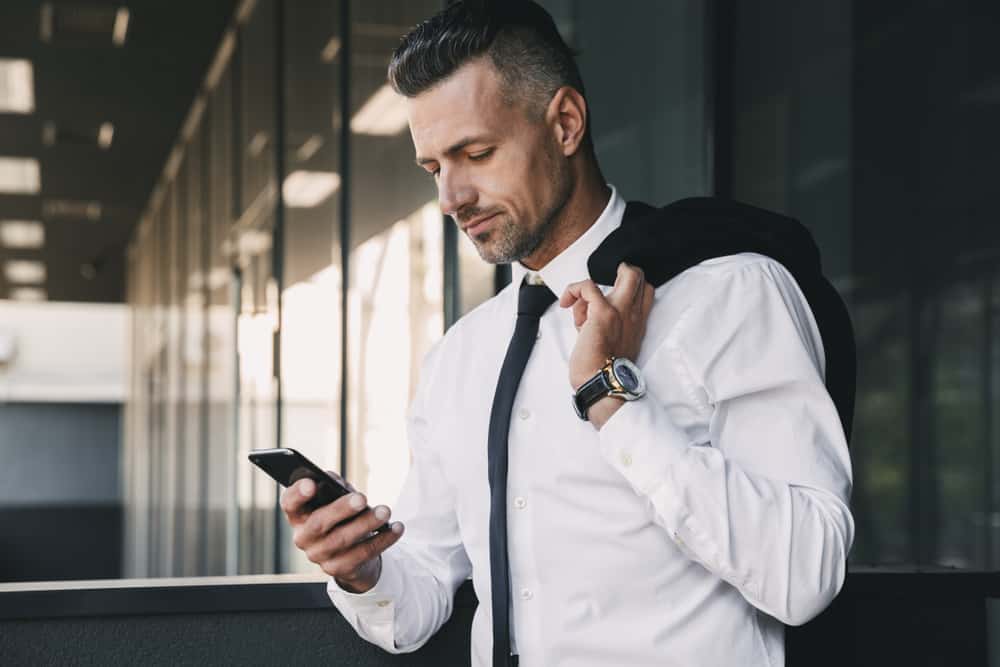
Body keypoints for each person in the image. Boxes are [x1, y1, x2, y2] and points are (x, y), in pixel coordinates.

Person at [280, 2, 854, 665]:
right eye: (435, 168)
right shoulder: (460, 357)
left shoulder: (731, 294)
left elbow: (806, 573)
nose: (451, 197)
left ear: (565, 123)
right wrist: (362, 571)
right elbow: (422, 591)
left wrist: (610, 397)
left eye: (476, 153)